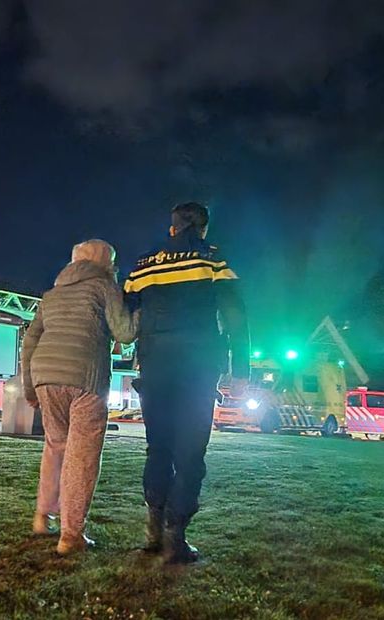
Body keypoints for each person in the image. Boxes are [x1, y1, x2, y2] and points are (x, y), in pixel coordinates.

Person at [123, 202, 250, 565]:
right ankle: (175, 536)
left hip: (155, 366)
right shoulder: (212, 260)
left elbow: (126, 308)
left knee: (157, 448)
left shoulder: (143, 264)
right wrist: (241, 368)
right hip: (197, 366)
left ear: (173, 227)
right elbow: (236, 315)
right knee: (191, 452)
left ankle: (152, 530)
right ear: (204, 228)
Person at [21, 240, 139, 556]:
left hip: (46, 374)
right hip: (86, 377)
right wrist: (141, 308)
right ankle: (71, 535)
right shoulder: (105, 287)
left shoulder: (52, 294)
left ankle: (42, 517)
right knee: (82, 455)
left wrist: (30, 388)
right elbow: (125, 332)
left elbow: (30, 342)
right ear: (106, 263)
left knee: (55, 446)